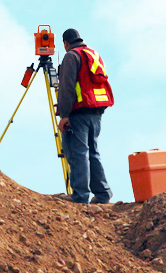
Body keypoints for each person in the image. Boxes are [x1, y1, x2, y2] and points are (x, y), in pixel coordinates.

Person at [56, 28, 114, 204]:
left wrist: (64, 115)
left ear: (66, 43)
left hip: (79, 112)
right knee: (93, 153)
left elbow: (66, 87)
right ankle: (103, 194)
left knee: (78, 152)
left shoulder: (71, 56)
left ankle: (80, 196)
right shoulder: (93, 54)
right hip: (96, 111)